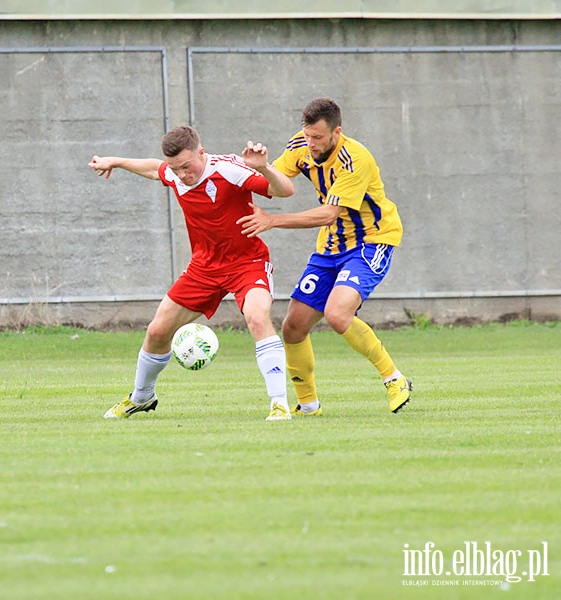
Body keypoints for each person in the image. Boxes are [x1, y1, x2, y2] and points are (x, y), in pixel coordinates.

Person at [89, 125, 297, 420]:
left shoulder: (229, 170)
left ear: (201, 152)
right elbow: (154, 169)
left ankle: (279, 404)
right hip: (204, 267)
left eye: (187, 166)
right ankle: (142, 397)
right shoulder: (174, 172)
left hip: (246, 262)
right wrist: (117, 161)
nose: (182, 174)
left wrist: (265, 169)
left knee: (256, 317)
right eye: (176, 168)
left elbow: (285, 190)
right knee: (158, 331)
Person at [238, 97, 412, 415]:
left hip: (371, 241)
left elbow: (328, 214)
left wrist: (272, 221)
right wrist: (262, 167)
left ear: (336, 132)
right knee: (293, 326)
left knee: (337, 314)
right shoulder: (301, 145)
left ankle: (394, 379)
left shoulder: (354, 159)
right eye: (308, 136)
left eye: (318, 137)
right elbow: (277, 184)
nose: (311, 143)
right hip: (331, 247)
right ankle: (308, 405)